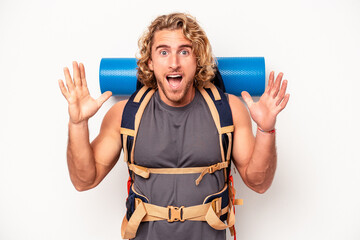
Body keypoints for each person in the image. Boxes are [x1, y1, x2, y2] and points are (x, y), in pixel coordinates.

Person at [58, 13, 289, 240]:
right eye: (164, 52)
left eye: (184, 51)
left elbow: (259, 183)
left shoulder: (228, 110)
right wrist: (78, 124)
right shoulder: (124, 114)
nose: (174, 63)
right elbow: (83, 181)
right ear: (150, 61)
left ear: (197, 59)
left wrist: (266, 130)